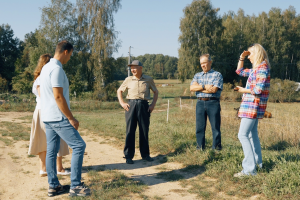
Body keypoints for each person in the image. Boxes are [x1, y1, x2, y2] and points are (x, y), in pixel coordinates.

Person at [40, 41, 90, 197]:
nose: (70, 58)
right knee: (79, 145)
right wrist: (71, 118)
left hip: (47, 116)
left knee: (51, 151)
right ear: (66, 52)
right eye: (71, 55)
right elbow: (58, 96)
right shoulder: (56, 69)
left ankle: (53, 186)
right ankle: (75, 186)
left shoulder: (45, 68)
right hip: (58, 117)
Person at [28, 54, 71, 177]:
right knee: (57, 139)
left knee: (44, 140)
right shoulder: (46, 76)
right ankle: (58, 168)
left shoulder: (39, 78)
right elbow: (44, 96)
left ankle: (44, 169)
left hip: (41, 111)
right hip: (48, 111)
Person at [233, 43, 270, 177]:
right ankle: (257, 165)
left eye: (250, 54)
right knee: (251, 135)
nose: (249, 58)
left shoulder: (261, 69)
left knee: (242, 135)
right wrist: (241, 58)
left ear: (258, 54)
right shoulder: (257, 68)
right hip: (252, 105)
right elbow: (239, 71)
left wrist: (243, 90)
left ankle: (249, 170)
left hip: (252, 105)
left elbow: (258, 90)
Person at [117, 60, 159, 164]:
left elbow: (155, 91)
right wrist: (122, 103)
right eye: (131, 68)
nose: (132, 69)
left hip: (144, 105)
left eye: (135, 67)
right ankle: (128, 156)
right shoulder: (128, 79)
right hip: (131, 106)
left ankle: (145, 155)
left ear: (141, 68)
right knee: (130, 131)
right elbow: (119, 91)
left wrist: (153, 105)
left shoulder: (148, 79)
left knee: (144, 131)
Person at [190, 54, 223, 151]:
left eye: (204, 63)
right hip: (200, 103)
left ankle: (216, 149)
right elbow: (191, 88)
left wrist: (199, 88)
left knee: (215, 127)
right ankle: (200, 148)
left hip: (213, 102)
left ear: (210, 62)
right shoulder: (197, 75)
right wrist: (205, 86)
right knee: (199, 127)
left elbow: (214, 90)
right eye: (201, 63)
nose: (203, 65)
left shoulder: (217, 75)